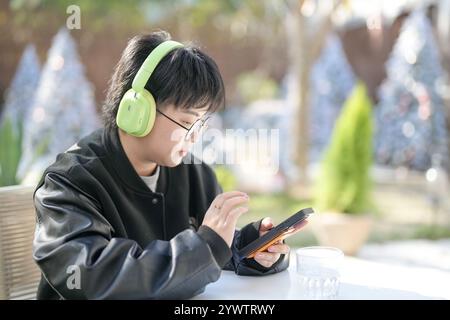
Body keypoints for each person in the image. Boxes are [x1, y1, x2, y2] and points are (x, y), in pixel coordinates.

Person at [32, 30, 303, 300]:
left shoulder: (196, 175)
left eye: (201, 123)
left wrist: (250, 249)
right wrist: (206, 247)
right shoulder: (69, 183)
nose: (195, 136)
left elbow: (210, 252)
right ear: (137, 110)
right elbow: (88, 275)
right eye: (187, 122)